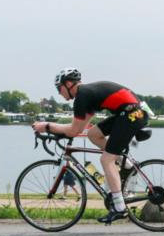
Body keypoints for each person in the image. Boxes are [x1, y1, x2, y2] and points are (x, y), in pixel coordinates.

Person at [32, 68, 149, 224]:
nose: (59, 93)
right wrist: (56, 130)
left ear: (68, 84)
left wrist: (47, 126)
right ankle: (126, 165)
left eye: (59, 88)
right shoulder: (87, 95)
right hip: (131, 113)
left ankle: (120, 208)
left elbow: (73, 130)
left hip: (131, 115)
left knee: (106, 160)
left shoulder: (82, 96)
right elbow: (79, 129)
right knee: (93, 134)